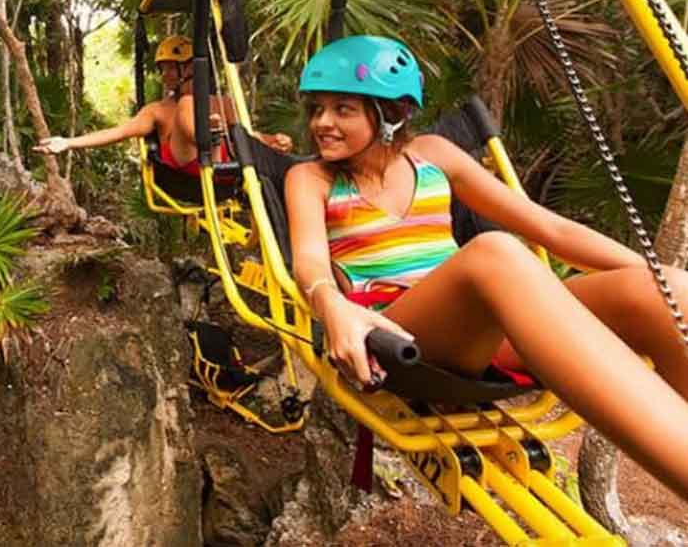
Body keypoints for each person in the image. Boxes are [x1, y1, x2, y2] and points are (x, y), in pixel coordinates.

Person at [285, 34, 688, 501]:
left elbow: (550, 230)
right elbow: (310, 258)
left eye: (342, 109)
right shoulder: (310, 178)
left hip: (486, 327)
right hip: (400, 334)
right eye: (317, 109)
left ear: (391, 113)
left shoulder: (433, 155)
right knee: (494, 252)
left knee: (669, 288)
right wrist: (330, 303)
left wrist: (648, 272)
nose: (322, 123)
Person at [35, 35, 292, 170]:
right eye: (163, 69)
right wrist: (67, 143)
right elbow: (120, 132)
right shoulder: (158, 110)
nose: (164, 75)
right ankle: (207, 133)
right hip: (185, 166)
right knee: (187, 104)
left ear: (190, 67)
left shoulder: (223, 103)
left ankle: (213, 135)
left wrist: (273, 141)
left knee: (234, 128)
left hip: (224, 165)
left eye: (170, 69)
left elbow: (247, 136)